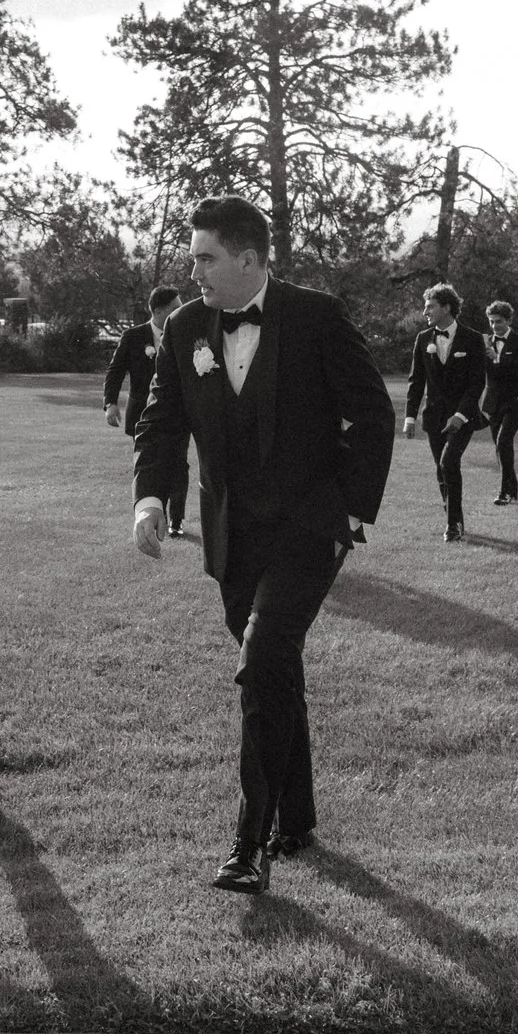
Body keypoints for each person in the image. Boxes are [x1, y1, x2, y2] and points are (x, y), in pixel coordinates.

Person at [131, 195, 395, 895]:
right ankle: (299, 817)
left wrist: (353, 511)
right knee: (276, 672)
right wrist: (152, 497)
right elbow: (160, 423)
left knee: (262, 660)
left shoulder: (315, 316)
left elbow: (372, 410)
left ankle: (250, 845)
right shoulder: (186, 326)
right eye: (193, 260)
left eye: (205, 258)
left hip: (309, 527)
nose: (195, 273)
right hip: (230, 535)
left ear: (249, 258)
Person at [401, 284, 487, 541]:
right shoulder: (422, 338)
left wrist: (460, 416)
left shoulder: (472, 338)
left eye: (430, 306)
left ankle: (452, 526)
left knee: (448, 463)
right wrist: (409, 417)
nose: (425, 311)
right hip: (434, 417)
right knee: (441, 470)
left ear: (447, 307)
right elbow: (416, 382)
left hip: (463, 416)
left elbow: (476, 383)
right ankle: (455, 516)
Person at [105, 285, 188, 535]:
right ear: (159, 311)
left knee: (179, 465)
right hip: (143, 415)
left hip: (179, 414)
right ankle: (152, 516)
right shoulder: (133, 337)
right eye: (175, 308)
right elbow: (115, 371)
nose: (181, 312)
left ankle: (176, 521)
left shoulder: (185, 333)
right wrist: (110, 403)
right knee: (149, 464)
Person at [479, 299, 518, 505]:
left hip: (514, 401)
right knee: (500, 447)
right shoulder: (486, 342)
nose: (494, 326)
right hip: (493, 402)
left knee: (503, 441)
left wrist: (497, 359)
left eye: (498, 321)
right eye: (491, 322)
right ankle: (513, 487)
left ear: (508, 320)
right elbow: (484, 372)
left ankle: (504, 492)